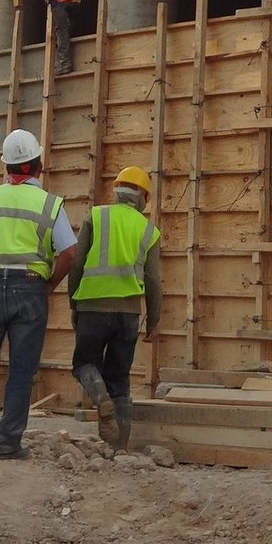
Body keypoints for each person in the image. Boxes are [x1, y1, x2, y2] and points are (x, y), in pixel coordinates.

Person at [0, 128, 77, 459]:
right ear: (38, 165)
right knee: (22, 369)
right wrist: (49, 284)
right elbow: (69, 253)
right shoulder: (49, 204)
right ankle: (6, 443)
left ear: (6, 167)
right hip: (31, 287)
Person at [68, 165, 162, 450]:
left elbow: (77, 263)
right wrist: (154, 320)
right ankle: (118, 447)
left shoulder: (96, 216)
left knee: (84, 364)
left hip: (93, 307)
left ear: (117, 190)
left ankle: (100, 398)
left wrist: (75, 303)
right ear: (143, 197)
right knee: (120, 378)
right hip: (129, 314)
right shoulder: (149, 230)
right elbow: (153, 280)